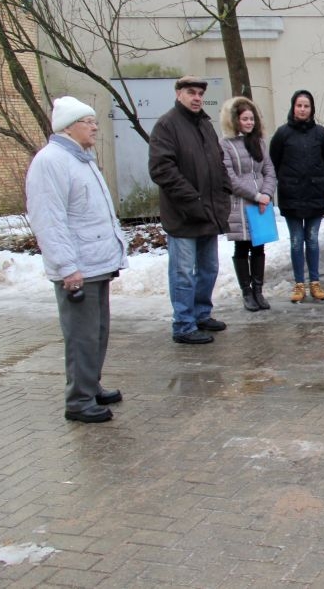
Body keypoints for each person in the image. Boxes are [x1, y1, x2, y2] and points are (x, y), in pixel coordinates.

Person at [26, 97, 129, 422]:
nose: (95, 127)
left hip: (96, 262)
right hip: (77, 267)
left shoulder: (81, 159)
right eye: (88, 121)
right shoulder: (50, 162)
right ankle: (79, 400)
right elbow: (49, 220)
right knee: (81, 335)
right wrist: (66, 267)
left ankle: (90, 385)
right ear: (68, 126)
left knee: (97, 331)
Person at [148, 76, 231, 344]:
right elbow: (162, 170)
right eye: (190, 92)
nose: (196, 97)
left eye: (199, 93)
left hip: (208, 212)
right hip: (183, 214)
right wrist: (192, 200)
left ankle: (201, 314)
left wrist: (224, 192)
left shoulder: (205, 126)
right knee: (183, 272)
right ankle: (183, 324)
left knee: (208, 268)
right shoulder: (166, 125)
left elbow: (218, 163)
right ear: (179, 94)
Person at [269, 90, 324, 303]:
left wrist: (323, 185)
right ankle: (298, 285)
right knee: (296, 241)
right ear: (293, 107)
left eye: (306, 106)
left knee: (312, 240)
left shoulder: (321, 134)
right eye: (299, 105)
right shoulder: (282, 134)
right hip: (291, 197)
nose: (302, 109)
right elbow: (274, 163)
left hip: (315, 195)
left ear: (311, 109)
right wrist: (287, 182)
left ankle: (315, 282)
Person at [220, 97, 277, 312]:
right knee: (242, 246)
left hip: (261, 203)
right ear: (235, 121)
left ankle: (258, 290)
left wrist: (267, 194)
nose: (249, 122)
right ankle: (246, 292)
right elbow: (230, 177)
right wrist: (256, 195)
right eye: (245, 119)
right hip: (240, 203)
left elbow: (269, 171)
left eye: (252, 118)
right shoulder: (225, 144)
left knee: (259, 245)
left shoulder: (259, 143)